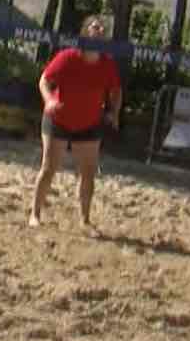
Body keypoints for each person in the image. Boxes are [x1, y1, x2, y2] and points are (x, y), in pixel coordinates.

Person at [30, 14, 122, 230]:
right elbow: (44, 80)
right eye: (94, 26)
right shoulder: (68, 57)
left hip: (89, 123)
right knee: (49, 168)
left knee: (89, 172)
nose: (98, 29)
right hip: (58, 119)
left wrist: (114, 111)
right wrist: (49, 100)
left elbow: (116, 90)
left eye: (101, 28)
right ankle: (35, 214)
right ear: (85, 32)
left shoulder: (107, 64)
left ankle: (85, 219)